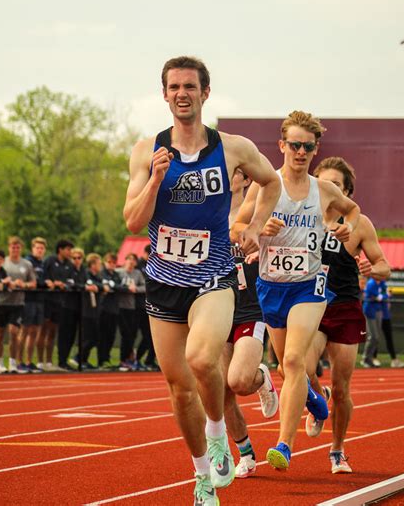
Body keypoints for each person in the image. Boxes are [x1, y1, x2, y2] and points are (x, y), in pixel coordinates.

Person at [123, 56, 280, 506]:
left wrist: (252, 227)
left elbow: (269, 183)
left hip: (213, 276)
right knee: (178, 387)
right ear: (165, 94)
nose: (181, 94)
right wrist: (154, 180)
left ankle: (217, 435)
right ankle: (202, 478)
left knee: (201, 358)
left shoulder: (232, 148)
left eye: (189, 87)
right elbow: (133, 222)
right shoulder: (145, 151)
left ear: (205, 93)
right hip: (163, 282)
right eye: (174, 87)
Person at [232, 111, 360, 473]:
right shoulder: (265, 184)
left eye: (308, 146)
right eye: (294, 145)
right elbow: (239, 226)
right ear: (282, 145)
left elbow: (352, 211)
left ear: (316, 149)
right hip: (271, 286)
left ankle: (283, 445)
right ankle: (317, 403)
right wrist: (259, 227)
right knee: (287, 367)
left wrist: (341, 227)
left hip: (310, 285)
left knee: (293, 362)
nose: (301, 152)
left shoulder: (324, 189)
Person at [306, 156, 391, 474]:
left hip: (344, 308)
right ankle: (316, 397)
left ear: (347, 192)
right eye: (324, 182)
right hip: (310, 304)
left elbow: (385, 266)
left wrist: (372, 268)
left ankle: (337, 451)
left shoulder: (359, 223)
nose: (329, 189)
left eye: (336, 185)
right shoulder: (304, 215)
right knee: (299, 367)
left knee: (342, 388)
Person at [223, 168, 279, 479]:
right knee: (220, 393)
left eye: (235, 171)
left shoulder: (261, 210)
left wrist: (263, 240)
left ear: (247, 179)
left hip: (249, 307)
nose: (226, 174)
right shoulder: (207, 210)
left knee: (239, 381)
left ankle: (260, 378)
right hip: (214, 307)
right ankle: (244, 452)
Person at [0, 236, 36, 374]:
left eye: (18, 247)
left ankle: (13, 363)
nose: (15, 249)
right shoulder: (2, 262)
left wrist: (23, 284)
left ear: (21, 249)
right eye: (13, 247)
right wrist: (6, 283)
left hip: (17, 303)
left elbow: (33, 283)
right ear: (9, 247)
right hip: (1, 302)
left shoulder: (26, 264)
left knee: (14, 332)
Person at [37, 239, 74, 371]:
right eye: (68, 249)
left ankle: (49, 361)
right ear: (60, 249)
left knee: (53, 332)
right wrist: (50, 282)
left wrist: (64, 285)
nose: (70, 252)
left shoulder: (69, 264)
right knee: (43, 330)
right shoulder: (50, 260)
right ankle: (40, 361)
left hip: (60, 301)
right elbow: (41, 277)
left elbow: (71, 281)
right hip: (47, 299)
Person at [18, 237, 48, 373]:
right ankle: (19, 361)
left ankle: (29, 361)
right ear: (32, 249)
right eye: (37, 248)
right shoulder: (27, 262)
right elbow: (32, 281)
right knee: (24, 330)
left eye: (42, 248)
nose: (40, 250)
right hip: (28, 299)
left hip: (39, 300)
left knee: (34, 331)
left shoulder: (43, 263)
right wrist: (44, 283)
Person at [57, 247, 87, 371]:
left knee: (73, 335)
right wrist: (84, 286)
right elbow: (70, 284)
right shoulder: (68, 269)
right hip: (67, 305)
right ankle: (62, 360)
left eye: (79, 258)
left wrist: (84, 286)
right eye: (74, 258)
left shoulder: (83, 270)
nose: (76, 260)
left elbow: (85, 282)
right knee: (65, 334)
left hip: (78, 305)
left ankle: (69, 360)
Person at [117, 253, 148, 371]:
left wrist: (136, 289)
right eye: (128, 259)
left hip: (131, 307)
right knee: (124, 334)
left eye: (133, 260)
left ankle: (128, 360)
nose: (130, 262)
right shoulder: (118, 272)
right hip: (118, 306)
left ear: (135, 263)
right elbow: (114, 285)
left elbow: (144, 287)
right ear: (125, 261)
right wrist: (126, 288)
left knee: (130, 335)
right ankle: (122, 360)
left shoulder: (137, 273)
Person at [97, 252, 122, 369]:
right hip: (104, 308)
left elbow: (121, 287)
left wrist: (114, 286)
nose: (111, 264)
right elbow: (106, 285)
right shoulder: (101, 273)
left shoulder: (117, 275)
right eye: (109, 262)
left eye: (113, 262)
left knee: (111, 335)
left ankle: (107, 358)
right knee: (102, 335)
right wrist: (114, 286)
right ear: (105, 262)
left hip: (114, 309)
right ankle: (101, 359)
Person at [362, 277, 384, 368]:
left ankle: (369, 359)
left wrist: (381, 296)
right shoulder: (371, 283)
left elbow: (385, 294)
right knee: (373, 337)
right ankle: (366, 358)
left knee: (376, 337)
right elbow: (370, 294)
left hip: (378, 311)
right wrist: (378, 296)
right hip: (370, 311)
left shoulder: (382, 282)